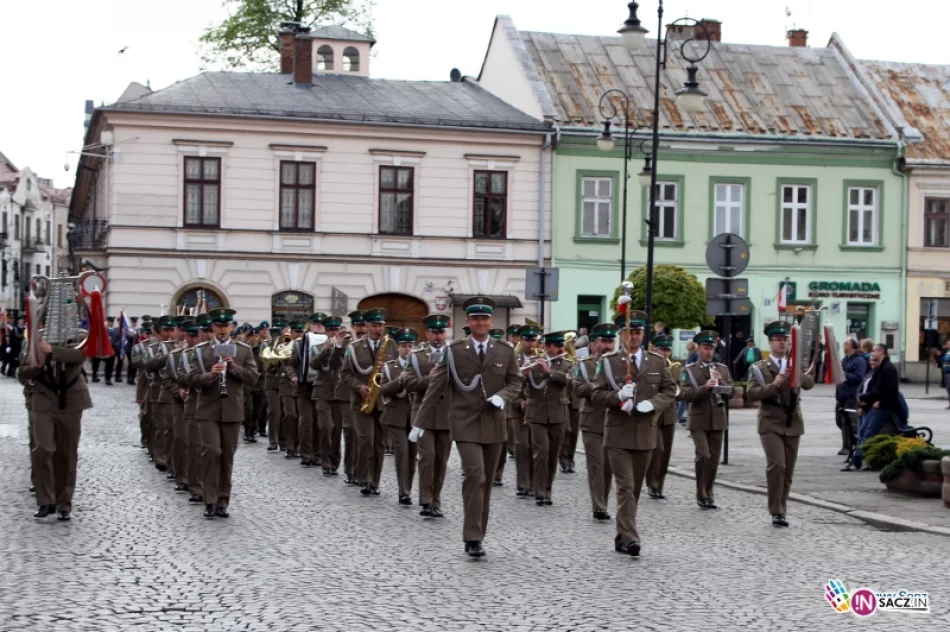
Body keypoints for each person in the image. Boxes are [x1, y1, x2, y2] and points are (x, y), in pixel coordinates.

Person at [416, 296, 523, 558]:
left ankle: (479, 533)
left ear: (490, 321)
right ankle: (472, 537)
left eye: (484, 318)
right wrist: (419, 422)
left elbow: (516, 382)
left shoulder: (505, 350)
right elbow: (436, 387)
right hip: (464, 424)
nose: (480, 322)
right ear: (468, 322)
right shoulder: (454, 351)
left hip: (494, 424)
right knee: (475, 475)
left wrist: (504, 397)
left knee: (486, 483)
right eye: (475, 318)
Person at [591, 309, 676, 557]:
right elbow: (594, 394)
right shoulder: (608, 363)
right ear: (622, 335)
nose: (634, 337)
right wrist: (616, 396)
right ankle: (631, 538)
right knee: (625, 488)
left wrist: (654, 404)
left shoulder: (657, 362)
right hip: (618, 435)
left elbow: (671, 390)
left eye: (638, 332)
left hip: (646, 435)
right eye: (630, 332)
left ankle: (621, 534)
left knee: (635, 490)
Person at [188, 308, 258, 519]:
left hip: (232, 411)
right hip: (207, 409)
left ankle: (222, 501)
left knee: (227, 457)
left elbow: (254, 377)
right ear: (212, 327)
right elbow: (190, 377)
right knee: (211, 452)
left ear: (232, 327)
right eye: (218, 326)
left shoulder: (244, 350)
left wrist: (234, 368)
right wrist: (210, 375)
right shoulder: (201, 351)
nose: (221, 329)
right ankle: (209, 499)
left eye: (225, 325)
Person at [746, 321, 815, 527]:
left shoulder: (794, 363)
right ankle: (776, 510)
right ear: (770, 343)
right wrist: (773, 386)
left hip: (793, 421)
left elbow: (810, 383)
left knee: (788, 470)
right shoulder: (759, 368)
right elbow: (751, 394)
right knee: (777, 465)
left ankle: (782, 507)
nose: (782, 343)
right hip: (770, 421)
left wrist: (799, 373)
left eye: (785, 339)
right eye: (778, 339)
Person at [21, 337, 93, 521]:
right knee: (43, 449)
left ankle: (64, 502)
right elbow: (22, 372)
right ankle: (45, 501)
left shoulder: (78, 335)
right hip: (43, 397)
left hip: (71, 399)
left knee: (66, 452)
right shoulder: (33, 341)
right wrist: (38, 364)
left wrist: (52, 350)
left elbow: (80, 355)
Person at [341, 308, 396, 496]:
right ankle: (364, 479)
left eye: (380, 325)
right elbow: (346, 374)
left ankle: (375, 481)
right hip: (361, 402)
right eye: (374, 325)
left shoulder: (392, 346)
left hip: (382, 401)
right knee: (365, 440)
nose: (378, 329)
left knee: (379, 443)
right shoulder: (355, 348)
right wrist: (359, 387)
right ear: (367, 326)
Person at [678, 331, 734, 508]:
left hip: (717, 419)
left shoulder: (722, 369)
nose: (708, 352)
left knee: (714, 459)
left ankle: (709, 492)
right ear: (698, 349)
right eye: (705, 348)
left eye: (711, 349)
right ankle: (700, 492)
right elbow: (685, 395)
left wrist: (721, 382)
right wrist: (704, 387)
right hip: (698, 419)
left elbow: (732, 392)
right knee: (703, 454)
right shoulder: (688, 370)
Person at [406, 314, 450, 517]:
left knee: (441, 460)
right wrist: (428, 379)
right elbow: (408, 384)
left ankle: (436, 500)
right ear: (427, 334)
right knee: (427, 457)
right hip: (423, 412)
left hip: (445, 414)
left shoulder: (453, 354)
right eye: (434, 332)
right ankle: (425, 500)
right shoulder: (416, 356)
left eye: (441, 332)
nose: (438, 336)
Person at [523, 330, 573, 506]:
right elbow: (517, 385)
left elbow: (571, 381)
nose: (561, 348)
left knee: (552, 455)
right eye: (557, 346)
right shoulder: (531, 363)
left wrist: (550, 372)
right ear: (547, 347)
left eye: (562, 345)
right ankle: (539, 490)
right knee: (541, 452)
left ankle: (548, 490)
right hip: (537, 414)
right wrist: (523, 377)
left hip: (558, 414)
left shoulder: (567, 364)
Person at [574, 322, 615, 520]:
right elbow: (578, 389)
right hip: (592, 422)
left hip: (614, 421)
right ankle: (598, 506)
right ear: (594, 344)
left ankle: (603, 501)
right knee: (596, 465)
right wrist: (597, 387)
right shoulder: (584, 365)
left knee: (608, 467)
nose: (607, 346)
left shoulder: (620, 364)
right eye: (603, 341)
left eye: (610, 341)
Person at [379, 328, 419, 505]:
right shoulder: (389, 367)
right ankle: (403, 491)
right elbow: (384, 390)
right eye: (404, 346)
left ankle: (408, 487)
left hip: (415, 416)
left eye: (410, 345)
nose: (407, 349)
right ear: (398, 347)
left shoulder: (419, 365)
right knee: (402, 452)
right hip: (396, 416)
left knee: (412, 454)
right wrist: (399, 380)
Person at [848, 344, 901, 470]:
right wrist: (863, 401)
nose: (872, 354)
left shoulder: (888, 369)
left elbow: (891, 391)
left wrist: (881, 402)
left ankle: (859, 457)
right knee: (863, 431)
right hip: (872, 404)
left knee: (868, 433)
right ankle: (860, 457)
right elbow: (872, 388)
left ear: (881, 352)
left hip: (881, 406)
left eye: (874, 351)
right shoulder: (879, 369)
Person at [645, 334, 683, 501]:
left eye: (667, 350)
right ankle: (651, 483)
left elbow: (680, 389)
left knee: (666, 452)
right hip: (653, 413)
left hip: (669, 413)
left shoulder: (674, 367)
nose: (665, 353)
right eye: (662, 349)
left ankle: (659, 484)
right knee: (657, 449)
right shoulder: (649, 364)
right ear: (655, 349)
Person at [835, 338, 868, 457]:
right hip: (842, 395)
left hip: (851, 395)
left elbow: (860, 377)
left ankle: (847, 447)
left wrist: (844, 375)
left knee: (847, 421)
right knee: (839, 420)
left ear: (853, 346)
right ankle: (852, 441)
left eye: (846, 343)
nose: (844, 345)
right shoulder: (845, 359)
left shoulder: (859, 360)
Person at [939, 341, 950, 409]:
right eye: (947, 344)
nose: (947, 345)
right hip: (946, 373)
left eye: (948, 344)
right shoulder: (948, 353)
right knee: (949, 390)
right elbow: (943, 360)